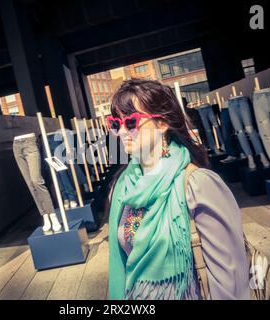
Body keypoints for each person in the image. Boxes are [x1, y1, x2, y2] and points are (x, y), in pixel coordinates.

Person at [107, 79, 250, 300]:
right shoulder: (123, 186)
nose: (122, 132)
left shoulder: (197, 183)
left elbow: (229, 278)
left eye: (132, 122)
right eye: (116, 124)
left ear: (162, 123)